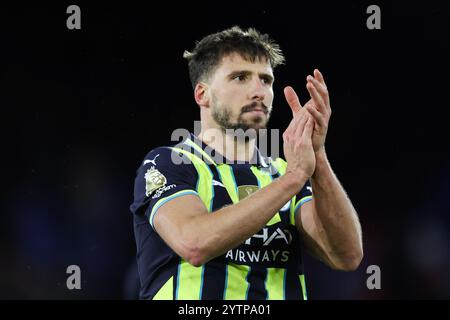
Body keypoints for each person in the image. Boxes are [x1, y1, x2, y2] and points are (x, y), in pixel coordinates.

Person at [130, 26, 363, 300]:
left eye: (266, 80)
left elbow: (346, 256)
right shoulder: (168, 163)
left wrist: (318, 157)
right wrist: (294, 178)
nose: (258, 91)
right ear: (202, 94)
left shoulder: (283, 173)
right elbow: (193, 243)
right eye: (240, 77)